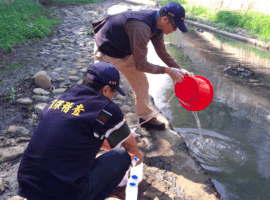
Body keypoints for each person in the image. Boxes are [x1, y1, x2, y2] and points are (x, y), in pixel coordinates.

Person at [17, 62, 144, 200]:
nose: (113, 97)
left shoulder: (64, 98)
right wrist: (137, 154)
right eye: (113, 92)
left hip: (28, 187)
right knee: (121, 156)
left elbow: (74, 132)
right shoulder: (107, 109)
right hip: (64, 194)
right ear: (106, 89)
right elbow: (129, 144)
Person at [93, 2, 192, 130]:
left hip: (126, 53)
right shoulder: (141, 27)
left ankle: (145, 118)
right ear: (165, 19)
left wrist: (179, 69)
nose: (174, 31)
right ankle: (92, 125)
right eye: (174, 27)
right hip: (107, 52)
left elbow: (162, 51)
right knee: (103, 91)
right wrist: (168, 71)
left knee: (142, 84)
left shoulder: (158, 27)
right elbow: (141, 65)